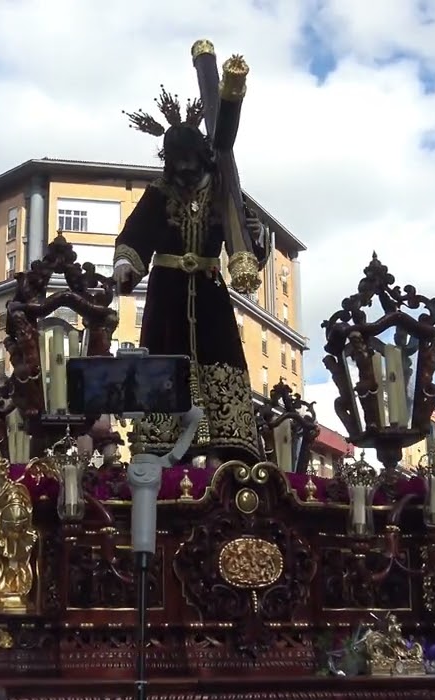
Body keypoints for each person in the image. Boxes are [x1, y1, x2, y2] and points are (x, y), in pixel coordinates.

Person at [114, 88, 268, 464]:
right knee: (167, 360)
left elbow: (245, 242)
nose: (185, 170)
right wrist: (126, 263)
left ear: (202, 156)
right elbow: (134, 236)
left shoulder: (224, 192)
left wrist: (256, 235)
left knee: (222, 361)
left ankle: (226, 451)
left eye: (190, 161)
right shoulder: (159, 193)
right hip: (167, 296)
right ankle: (165, 452)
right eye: (177, 162)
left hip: (211, 294)